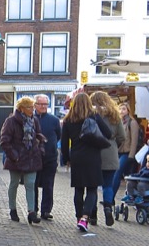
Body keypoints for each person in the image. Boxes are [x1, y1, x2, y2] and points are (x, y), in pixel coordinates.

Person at [60, 92, 113, 232]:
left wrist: (66, 159)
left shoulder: (68, 120)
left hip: (77, 157)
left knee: (78, 189)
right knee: (92, 189)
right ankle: (84, 218)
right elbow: (108, 133)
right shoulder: (94, 117)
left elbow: (64, 143)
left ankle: (78, 217)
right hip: (93, 157)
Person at [0, 96, 45, 224]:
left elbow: (39, 136)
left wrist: (40, 149)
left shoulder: (34, 120)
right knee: (14, 183)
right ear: (22, 109)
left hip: (32, 158)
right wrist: (15, 156)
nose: (32, 109)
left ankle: (31, 212)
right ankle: (12, 209)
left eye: (32, 107)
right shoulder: (11, 121)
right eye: (29, 107)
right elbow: (4, 141)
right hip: (17, 159)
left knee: (30, 184)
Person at [90, 91, 126, 226]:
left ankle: (92, 215)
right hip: (110, 152)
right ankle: (107, 208)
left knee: (92, 186)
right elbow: (122, 137)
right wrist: (113, 145)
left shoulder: (91, 114)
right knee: (108, 185)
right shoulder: (115, 115)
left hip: (93, 152)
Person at [33, 94, 62, 220]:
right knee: (33, 184)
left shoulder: (54, 120)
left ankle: (46, 210)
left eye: (46, 104)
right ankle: (33, 209)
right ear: (35, 105)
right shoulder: (30, 119)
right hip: (34, 157)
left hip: (50, 158)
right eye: (41, 104)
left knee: (48, 185)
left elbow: (59, 135)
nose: (44, 106)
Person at [113, 102, 142, 198]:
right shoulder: (118, 122)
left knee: (117, 172)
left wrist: (131, 155)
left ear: (128, 110)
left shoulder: (132, 122)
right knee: (128, 176)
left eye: (123, 109)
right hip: (119, 152)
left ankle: (110, 198)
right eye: (120, 109)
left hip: (127, 153)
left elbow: (134, 140)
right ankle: (132, 195)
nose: (121, 111)